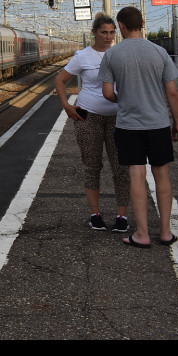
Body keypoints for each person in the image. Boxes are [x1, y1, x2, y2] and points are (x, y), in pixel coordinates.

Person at [98, 6, 178, 248]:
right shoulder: (159, 52)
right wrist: (176, 122)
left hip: (129, 125)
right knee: (162, 174)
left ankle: (142, 234)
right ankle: (166, 232)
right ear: (142, 23)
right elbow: (173, 92)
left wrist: (121, 99)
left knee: (137, 175)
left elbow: (107, 93)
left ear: (121, 26)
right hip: (157, 124)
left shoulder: (112, 55)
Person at [55, 13, 129, 232]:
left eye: (112, 32)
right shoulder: (83, 56)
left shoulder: (120, 54)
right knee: (92, 166)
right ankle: (95, 215)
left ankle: (121, 217)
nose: (108, 37)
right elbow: (60, 80)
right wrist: (67, 106)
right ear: (94, 33)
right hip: (88, 117)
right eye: (104, 32)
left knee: (121, 168)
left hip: (119, 118)